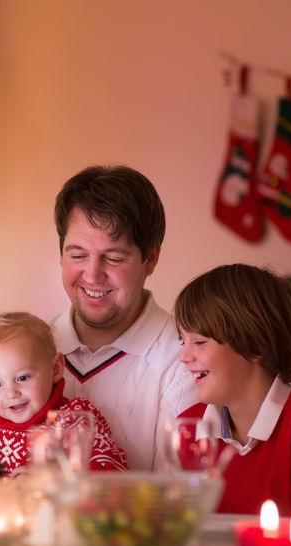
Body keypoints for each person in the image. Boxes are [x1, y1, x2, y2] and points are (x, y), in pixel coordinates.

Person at [176, 263, 291, 517]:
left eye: (199, 341)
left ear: (255, 346)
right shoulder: (189, 427)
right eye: (182, 340)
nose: (183, 356)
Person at [50, 164, 197, 471]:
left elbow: (175, 496)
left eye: (114, 258)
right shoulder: (30, 348)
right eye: (77, 255)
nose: (92, 275)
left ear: (150, 259)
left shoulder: (184, 360)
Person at [0, 311, 128, 475]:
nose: (11, 393)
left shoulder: (75, 420)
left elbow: (109, 472)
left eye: (22, 377)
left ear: (56, 369)